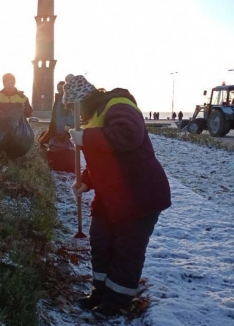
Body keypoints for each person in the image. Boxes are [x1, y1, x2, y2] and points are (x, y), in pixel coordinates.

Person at [62, 75, 171, 318]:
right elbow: (104, 161)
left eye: (75, 107)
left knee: (126, 250)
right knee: (100, 242)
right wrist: (86, 183)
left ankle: (116, 301)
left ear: (85, 100)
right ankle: (99, 292)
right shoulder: (93, 118)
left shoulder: (119, 105)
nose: (76, 114)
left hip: (140, 195)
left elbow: (128, 135)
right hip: (113, 196)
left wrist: (86, 138)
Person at [39, 78, 74, 145]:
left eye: (61, 88)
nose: (59, 90)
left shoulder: (70, 98)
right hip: (58, 126)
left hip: (67, 126)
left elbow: (72, 115)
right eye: (58, 88)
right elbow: (55, 113)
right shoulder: (58, 98)